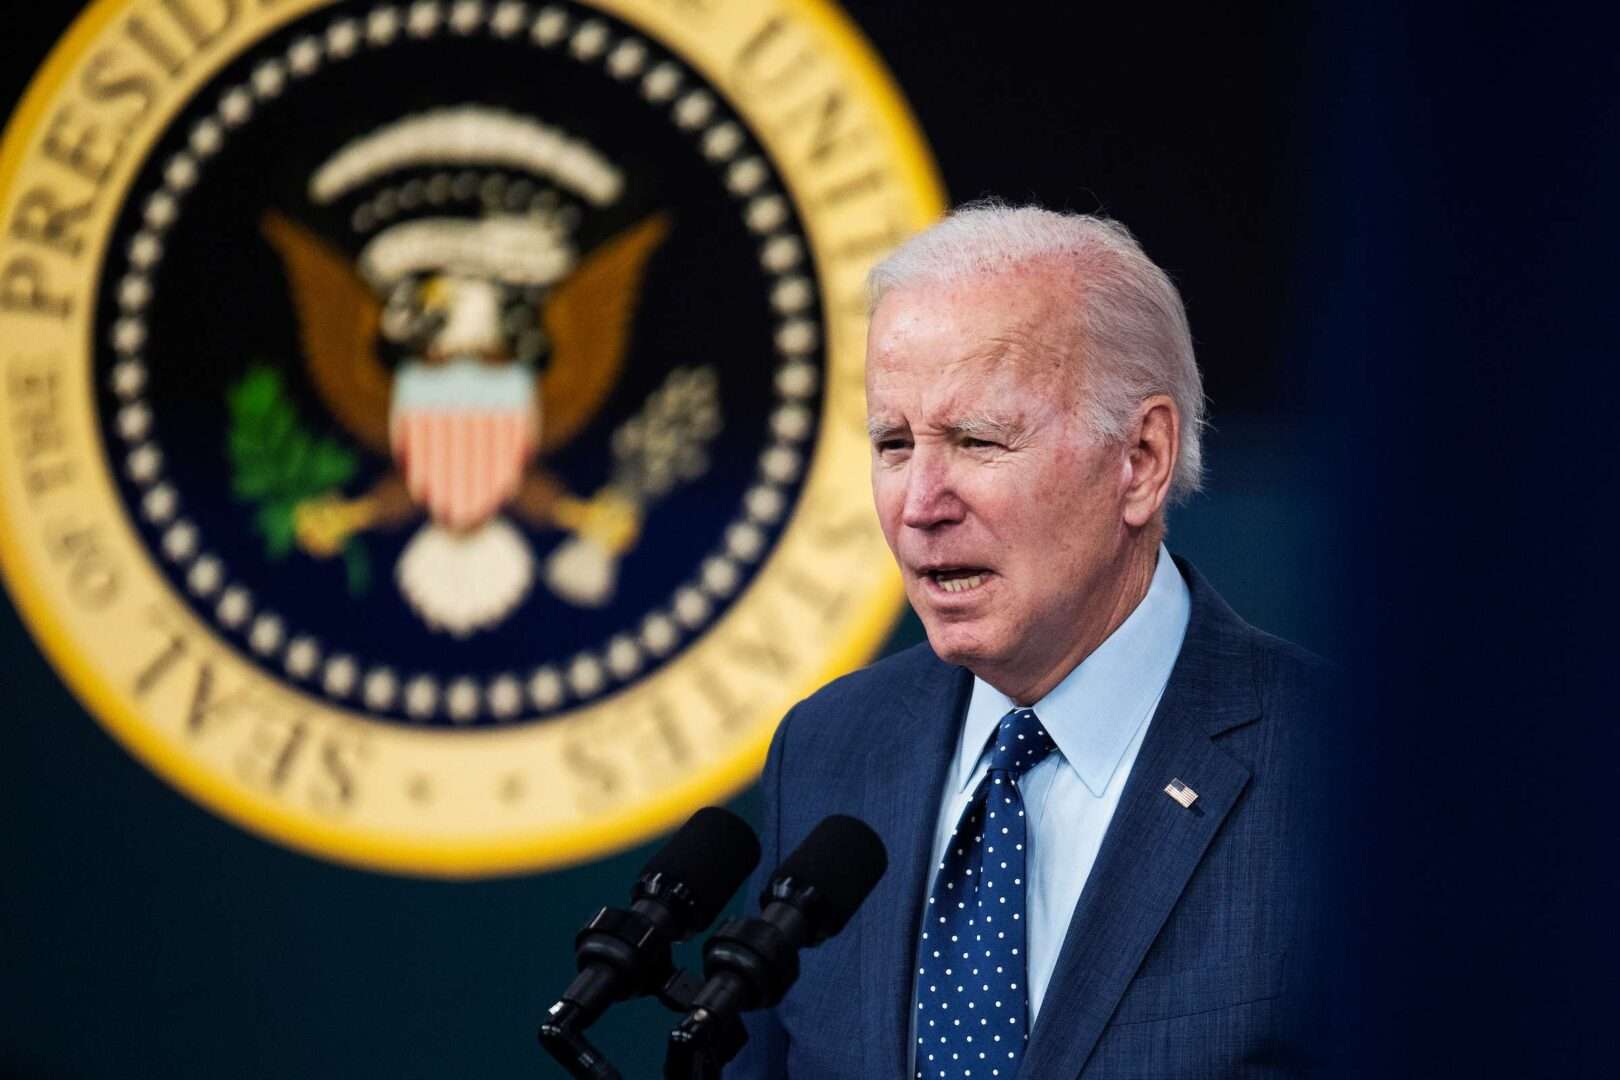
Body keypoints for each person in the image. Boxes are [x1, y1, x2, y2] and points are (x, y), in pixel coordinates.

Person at [728, 201, 1340, 1079]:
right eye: (894, 443)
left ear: (1141, 459)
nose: (919, 504)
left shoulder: (1339, 769)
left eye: (977, 439)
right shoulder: (830, 749)